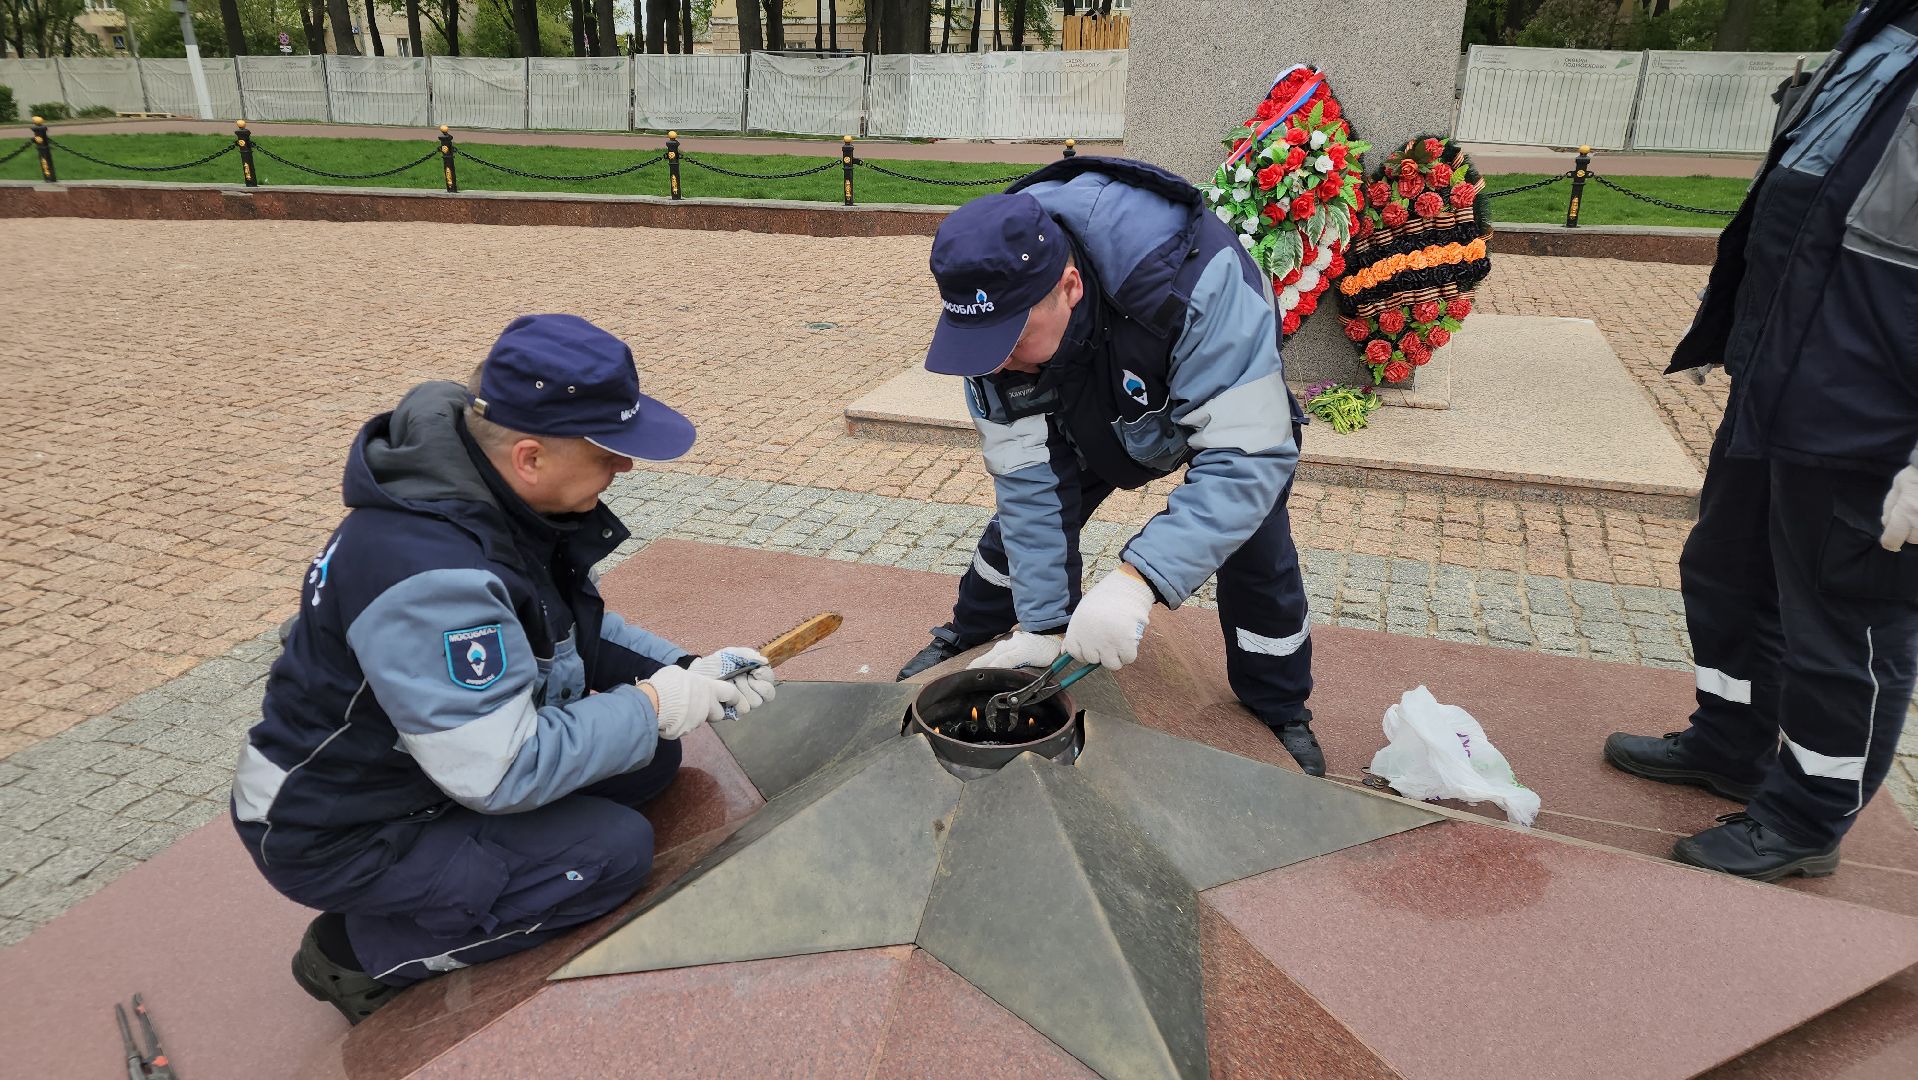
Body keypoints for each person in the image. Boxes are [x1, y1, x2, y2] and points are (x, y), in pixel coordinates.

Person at [231, 314, 778, 1023]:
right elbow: (500, 770)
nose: (626, 468)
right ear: (529, 458)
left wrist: (684, 669)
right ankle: (356, 951)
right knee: (610, 855)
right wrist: (652, 704)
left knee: (650, 763)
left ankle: (476, 864)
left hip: (418, 767)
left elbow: (570, 630)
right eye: (608, 451)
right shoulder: (431, 575)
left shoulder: (483, 497)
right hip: (342, 828)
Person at [1605, 0, 1918, 880]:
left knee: (1843, 619)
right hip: (1782, 370)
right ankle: (1732, 740)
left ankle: (1807, 816)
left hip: (1873, 410)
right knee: (1727, 568)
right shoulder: (1883, 27)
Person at [893, 157, 1324, 774]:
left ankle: (1279, 704)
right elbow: (1027, 484)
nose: (992, 363)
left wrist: (1137, 583)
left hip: (1200, 402)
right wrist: (1044, 625)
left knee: (1256, 542)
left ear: (1069, 284)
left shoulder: (1197, 280)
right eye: (981, 345)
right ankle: (969, 630)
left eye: (1012, 341)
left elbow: (1243, 458)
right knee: (1023, 531)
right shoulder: (993, 339)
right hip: (1082, 394)